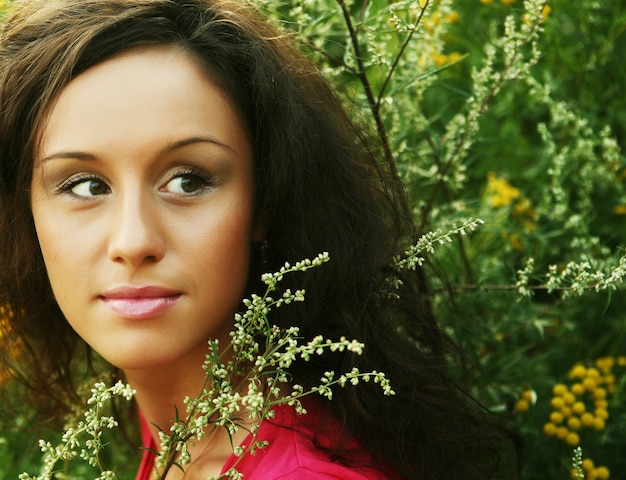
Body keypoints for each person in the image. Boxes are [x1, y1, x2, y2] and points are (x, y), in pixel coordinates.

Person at [0, 0, 518, 479]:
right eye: (85, 186)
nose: (134, 241)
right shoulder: (182, 432)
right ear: (25, 210)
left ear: (264, 202)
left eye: (188, 180)